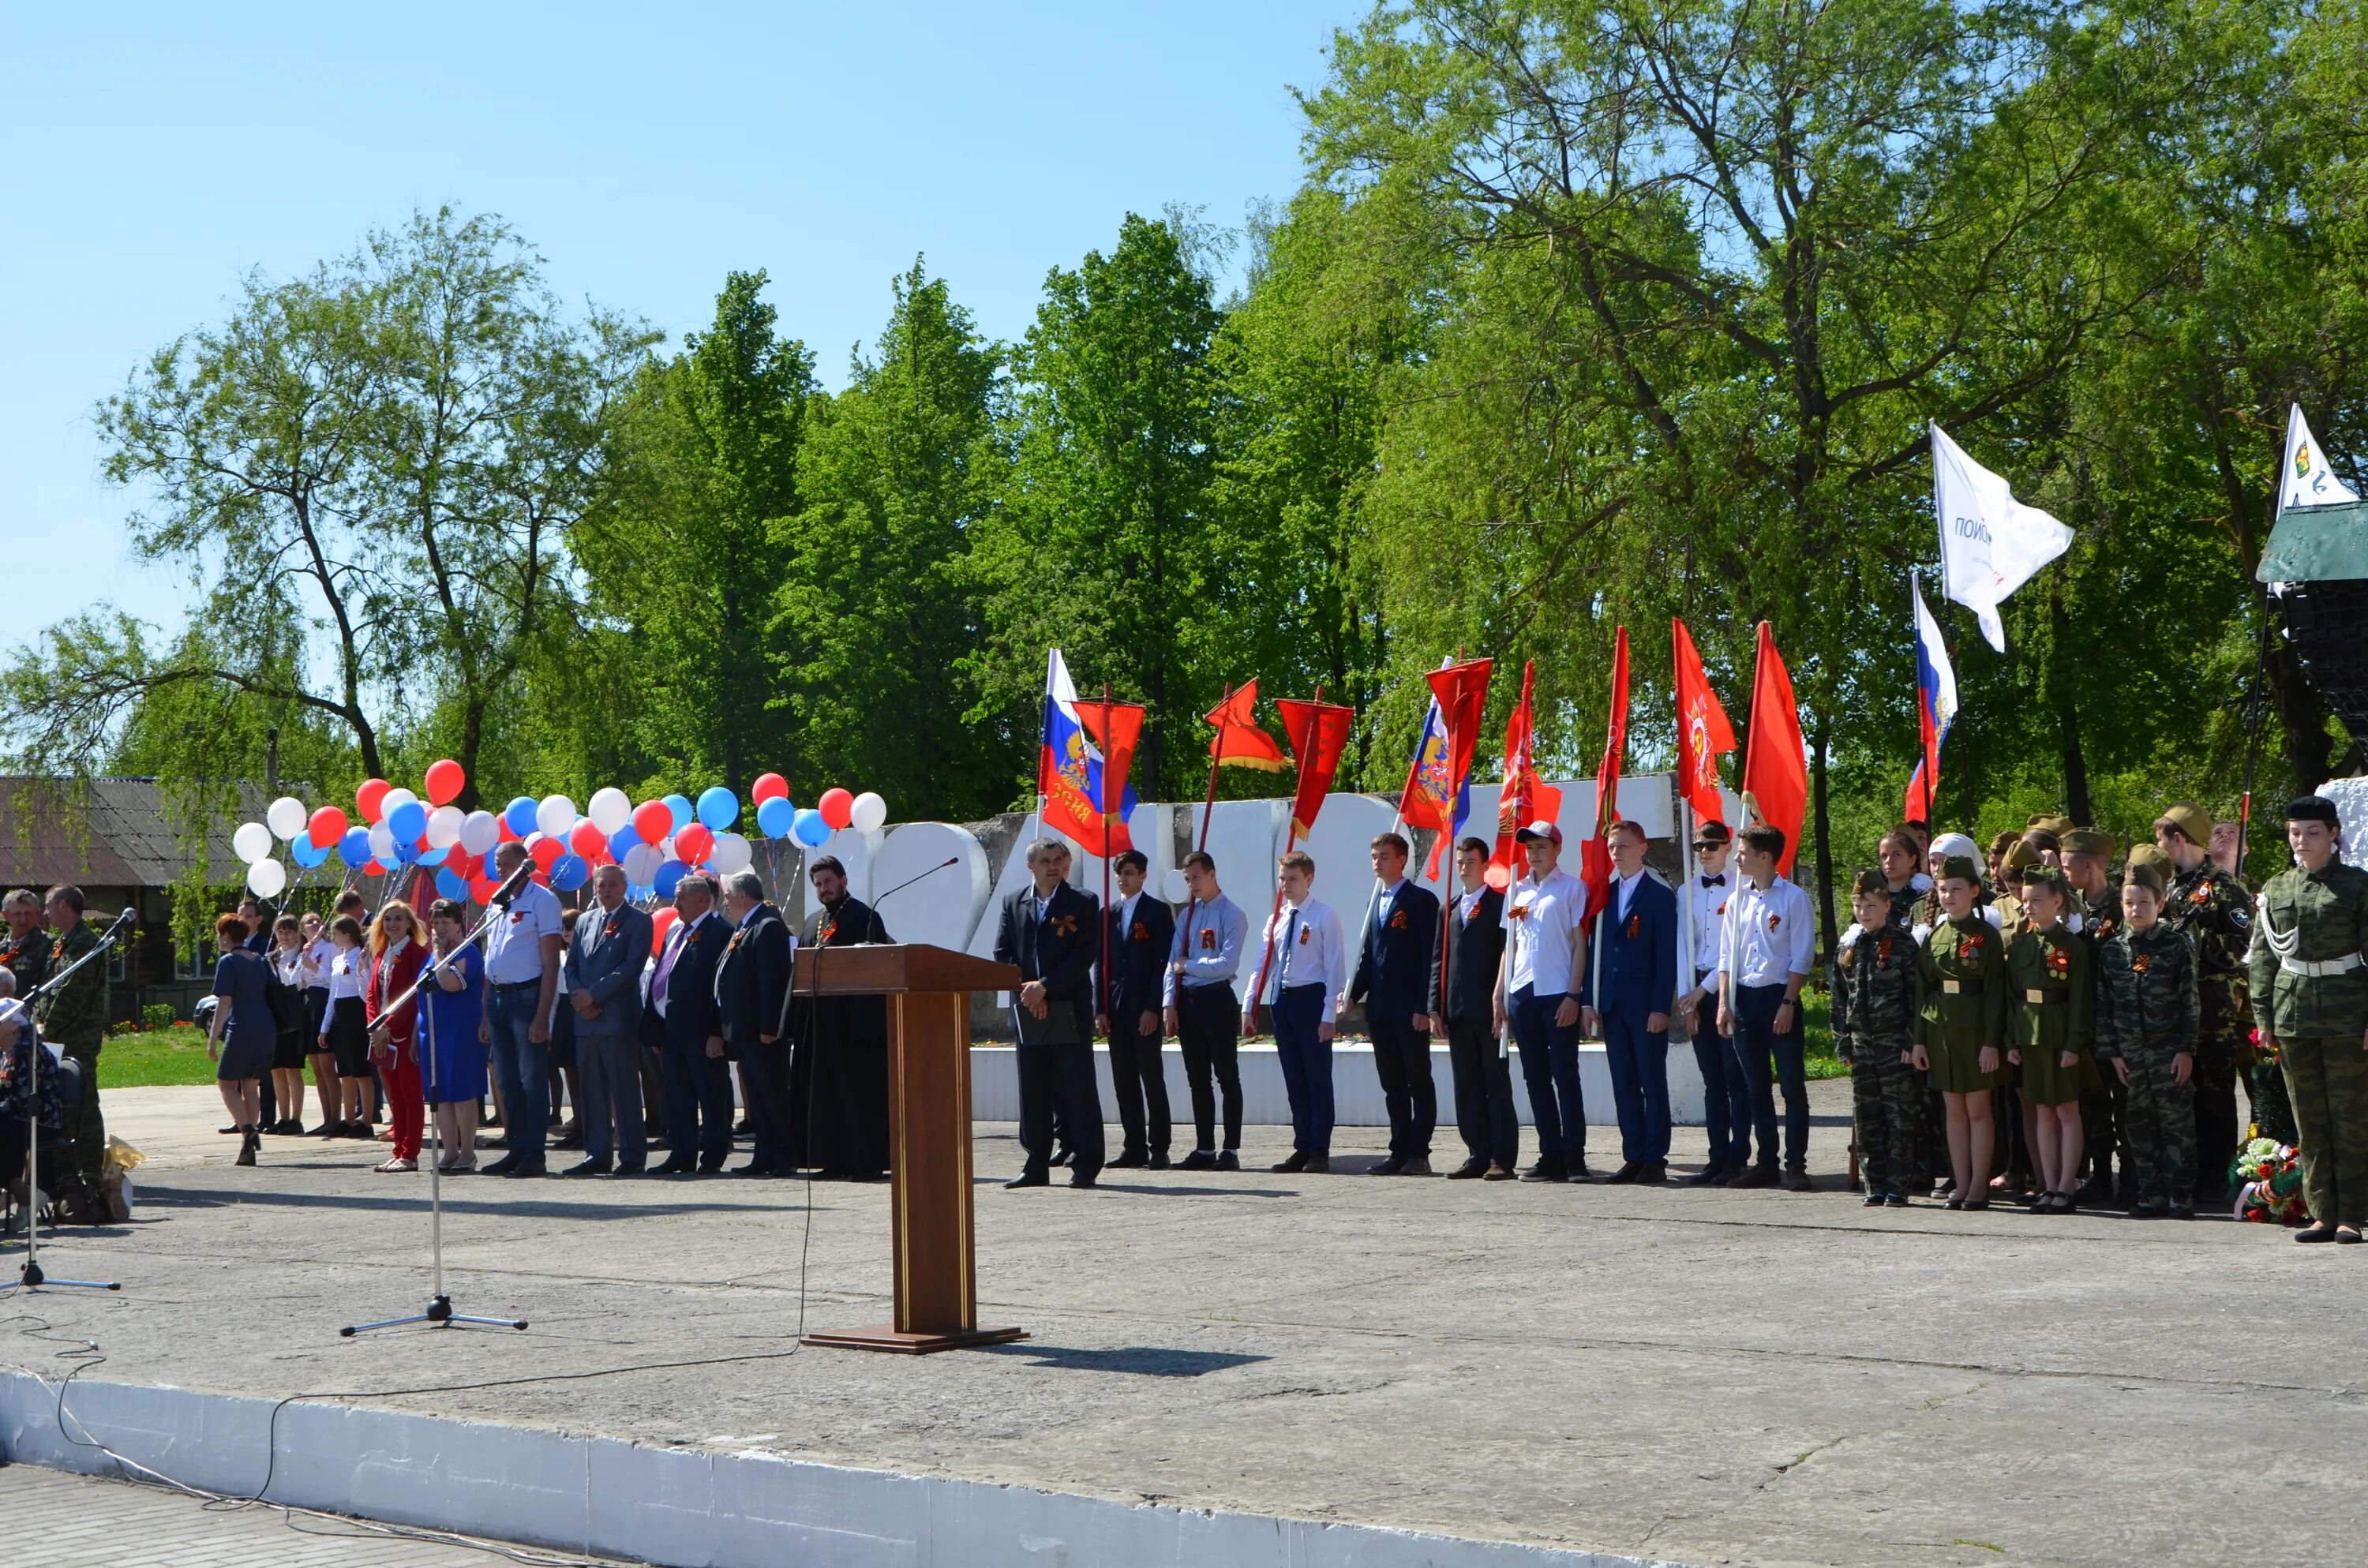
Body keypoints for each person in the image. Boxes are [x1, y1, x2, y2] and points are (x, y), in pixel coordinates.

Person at [2248, 795, 2368, 1244]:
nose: (2302, 841)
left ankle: (2353, 1214)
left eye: (2313, 832)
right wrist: (2263, 1017)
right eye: (2295, 832)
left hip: (2347, 1014)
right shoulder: (2278, 888)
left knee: (2350, 1117)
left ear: (2334, 833)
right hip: (2293, 1011)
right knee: (2311, 1121)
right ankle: (2322, 1213)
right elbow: (2263, 958)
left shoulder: (2358, 887)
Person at [2156, 801, 2251, 1204]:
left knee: (2214, 1095)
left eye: (2160, 840)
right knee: (2181, 1095)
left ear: (2178, 839)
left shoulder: (2225, 886)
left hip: (2214, 1008)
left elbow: (2242, 947)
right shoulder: (2169, 886)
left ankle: (2217, 1178)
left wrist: (2194, 939)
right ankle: (2184, 1175)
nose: (2157, 848)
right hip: (2177, 1007)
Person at [996, 839, 1105, 1188]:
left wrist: (1046, 987)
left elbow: (1083, 955)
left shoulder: (1083, 901)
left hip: (1068, 1007)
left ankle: (1086, 1161)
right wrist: (1030, 992)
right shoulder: (1014, 902)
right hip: (1029, 1009)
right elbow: (1003, 954)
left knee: (1077, 1087)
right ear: (1031, 866)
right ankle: (1036, 1163)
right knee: (1034, 1089)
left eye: (1059, 860)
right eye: (1046, 861)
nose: (1053, 866)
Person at [2095, 863, 2199, 1218]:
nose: (2135, 909)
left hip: (2168, 1050)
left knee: (2176, 1125)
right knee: (2137, 1126)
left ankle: (2180, 1193)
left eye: (2143, 902)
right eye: (2128, 903)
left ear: (2159, 904)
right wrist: (2112, 1054)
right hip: (2130, 1055)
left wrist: (2187, 1049)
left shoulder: (2175, 946)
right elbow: (2104, 1004)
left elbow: (2189, 1001)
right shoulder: (2112, 950)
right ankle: (2150, 1192)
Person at [1717, 825, 1815, 1190]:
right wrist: (1725, 1003)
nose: (1737, 857)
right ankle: (1766, 1163)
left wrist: (1789, 1001)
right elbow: (1727, 955)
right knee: (1755, 1086)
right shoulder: (1737, 899)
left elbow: (1802, 955)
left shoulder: (1793, 898)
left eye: (1743, 851)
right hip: (1745, 999)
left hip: (1778, 996)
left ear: (1765, 856)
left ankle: (1796, 1165)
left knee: (1792, 1085)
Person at [1495, 821, 1591, 1183]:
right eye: (1529, 847)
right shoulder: (1517, 893)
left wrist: (1573, 994)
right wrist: (1498, 994)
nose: (1534, 854)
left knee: (1565, 1076)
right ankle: (1550, 1154)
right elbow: (1511, 947)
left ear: (1556, 850)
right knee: (1535, 1078)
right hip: (1522, 992)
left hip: (1557, 992)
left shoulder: (1571, 889)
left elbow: (1580, 943)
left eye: (1540, 847)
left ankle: (1574, 1156)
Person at [1583, 820, 1677, 1184]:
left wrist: (1660, 1007)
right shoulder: (1603, 895)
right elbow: (1596, 952)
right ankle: (1633, 1155)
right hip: (1612, 1004)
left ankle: (1655, 1156)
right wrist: (1591, 1000)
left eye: (1623, 846)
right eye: (1612, 847)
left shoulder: (1659, 896)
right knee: (1623, 1082)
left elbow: (1665, 957)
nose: (1616, 852)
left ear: (1642, 849)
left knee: (1651, 1081)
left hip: (1645, 1006)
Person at [793, 855, 893, 1179]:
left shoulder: (865, 917)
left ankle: (865, 1162)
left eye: (828, 882)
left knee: (856, 1096)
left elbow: (876, 972)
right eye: (818, 884)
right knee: (824, 1093)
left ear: (844, 880)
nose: (824, 889)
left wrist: (866, 1025)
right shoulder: (812, 922)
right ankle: (832, 1159)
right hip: (819, 1024)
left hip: (853, 1025)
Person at [1347, 833, 1441, 1175]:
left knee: (1418, 1080)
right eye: (1374, 856)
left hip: (1410, 1010)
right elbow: (1370, 959)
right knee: (1392, 1082)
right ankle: (1398, 1149)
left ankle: (1420, 1151)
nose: (1377, 862)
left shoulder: (1420, 901)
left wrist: (1424, 1005)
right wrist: (1353, 992)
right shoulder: (1377, 902)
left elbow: (1430, 958)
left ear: (1402, 860)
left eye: (1384, 856)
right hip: (1381, 1009)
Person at [1916, 854, 2006, 1210]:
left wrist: (1991, 1043)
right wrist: (1919, 1040)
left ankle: (1979, 1186)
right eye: (1943, 889)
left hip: (1975, 1031)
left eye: (1956, 889)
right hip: (1942, 1032)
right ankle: (1962, 1182)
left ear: (1974, 891)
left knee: (1978, 1110)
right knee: (1953, 1110)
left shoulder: (1986, 937)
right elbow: (1924, 991)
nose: (1949, 896)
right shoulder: (1935, 936)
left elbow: (1997, 995)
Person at [1247, 851, 1346, 1175]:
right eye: (1282, 878)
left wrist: (1329, 1014)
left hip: (1311, 998)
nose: (1286, 885)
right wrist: (1250, 1004)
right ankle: (1302, 1145)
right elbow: (1264, 963)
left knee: (1317, 1077)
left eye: (1292, 878)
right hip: (1283, 999)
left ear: (1309, 879)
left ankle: (1319, 1148)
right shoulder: (1276, 918)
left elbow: (1334, 967)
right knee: (1294, 1080)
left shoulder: (1323, 916)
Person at [2006, 866, 2097, 1214]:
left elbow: (2079, 998)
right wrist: (2012, 1041)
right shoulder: (2020, 946)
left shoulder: (2072, 946)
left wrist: (2075, 1043)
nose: (2028, 906)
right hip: (2031, 1035)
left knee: (2066, 1110)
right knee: (2042, 1110)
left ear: (2058, 901)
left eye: (2037, 900)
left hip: (2060, 1033)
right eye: (2025, 900)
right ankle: (2047, 1183)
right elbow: (2013, 999)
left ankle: (2065, 1186)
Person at [1836, 870, 1923, 1207]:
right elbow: (1840, 999)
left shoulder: (1902, 944)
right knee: (1867, 1116)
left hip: (1894, 1045)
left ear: (1887, 905)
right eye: (1858, 904)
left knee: (1898, 1117)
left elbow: (1917, 997)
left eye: (1871, 904)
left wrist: (1911, 1041)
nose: (1863, 911)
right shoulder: (1851, 944)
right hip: (1862, 1044)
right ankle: (1875, 1185)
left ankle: (1899, 1186)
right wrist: (1843, 1042)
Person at [478, 842, 564, 1179]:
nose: (501, 869)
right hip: (498, 998)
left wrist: (543, 1015)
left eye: (507, 863)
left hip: (527, 999)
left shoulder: (543, 901)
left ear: (524, 864)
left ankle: (534, 1154)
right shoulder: (496, 902)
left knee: (531, 1080)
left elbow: (550, 963)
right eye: (497, 863)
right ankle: (515, 1149)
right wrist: (485, 1011)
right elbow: (490, 960)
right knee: (507, 1082)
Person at [1432, 836, 1516, 1180]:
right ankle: (1476, 1152)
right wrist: (1434, 1007)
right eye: (1460, 862)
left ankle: (1501, 1156)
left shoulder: (1500, 904)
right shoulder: (1448, 908)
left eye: (1471, 862)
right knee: (1466, 1086)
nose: (1464, 868)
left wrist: (1501, 1001)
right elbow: (1438, 961)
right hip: (1457, 1010)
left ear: (1485, 865)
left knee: (1495, 1083)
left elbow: (1506, 953)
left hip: (1489, 1011)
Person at [565, 864, 654, 1177]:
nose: (606, 890)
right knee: (591, 1089)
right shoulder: (585, 921)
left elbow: (631, 967)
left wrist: (594, 996)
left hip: (616, 1017)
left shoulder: (639, 921)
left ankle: (632, 1155)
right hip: (585, 1019)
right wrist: (580, 997)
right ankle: (597, 1153)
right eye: (601, 885)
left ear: (624, 887)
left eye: (613, 885)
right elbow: (571, 963)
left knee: (624, 1088)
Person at [1165, 851, 1248, 1172]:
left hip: (1217, 1001)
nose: (1192, 885)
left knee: (1226, 1076)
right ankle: (1204, 1148)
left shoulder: (1232, 914)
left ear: (1212, 874)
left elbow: (1226, 964)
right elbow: (1172, 964)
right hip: (1188, 1002)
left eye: (1196, 877)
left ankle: (1231, 1149)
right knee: (1196, 1078)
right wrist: (1169, 1003)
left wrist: (1191, 966)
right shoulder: (1187, 916)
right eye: (1187, 880)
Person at [1674, 821, 1746, 1185]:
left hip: (1726, 987)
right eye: (1700, 845)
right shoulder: (1686, 891)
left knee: (1735, 1076)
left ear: (1728, 846)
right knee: (1711, 1080)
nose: (1705, 851)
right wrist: (1688, 1000)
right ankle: (1716, 1156)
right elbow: (1683, 945)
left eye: (1713, 845)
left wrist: (1702, 992)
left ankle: (1739, 1156)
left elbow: (1729, 949)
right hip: (1697, 992)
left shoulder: (1741, 888)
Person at [1095, 848, 1175, 1170]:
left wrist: (1153, 1007)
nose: (1122, 879)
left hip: (1144, 1008)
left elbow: (1162, 965)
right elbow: (1101, 963)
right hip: (1116, 1008)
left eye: (1129, 873)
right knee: (1123, 1079)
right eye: (1119, 873)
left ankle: (1159, 1148)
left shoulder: (1157, 912)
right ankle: (1134, 1147)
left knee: (1151, 1077)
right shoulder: (1108, 913)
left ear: (1143, 876)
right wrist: (1100, 1008)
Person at [2062, 827, 2129, 1201]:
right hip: (2085, 1021)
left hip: (2120, 1022)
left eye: (2069, 865)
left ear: (2089, 865)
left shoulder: (2123, 906)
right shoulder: (2072, 907)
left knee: (2126, 1102)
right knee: (2093, 1101)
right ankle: (2101, 1175)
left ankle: (2132, 1175)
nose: (2064, 872)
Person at [651, 873, 733, 1175]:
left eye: (681, 898)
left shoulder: (720, 932)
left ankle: (712, 1157)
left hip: (703, 1034)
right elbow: (663, 977)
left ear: (701, 900)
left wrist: (716, 1032)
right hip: (673, 1030)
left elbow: (721, 989)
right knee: (678, 1096)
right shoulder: (676, 933)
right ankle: (681, 1154)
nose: (675, 904)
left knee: (711, 1096)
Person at [713, 870, 794, 1177]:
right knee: (758, 1098)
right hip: (743, 1030)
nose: (726, 903)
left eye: (729, 897)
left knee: (771, 1095)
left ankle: (784, 1157)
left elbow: (772, 981)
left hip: (761, 1032)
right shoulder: (746, 926)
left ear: (743, 896)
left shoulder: (768, 926)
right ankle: (765, 1154)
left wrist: (769, 1027)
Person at [34, 886, 107, 1186]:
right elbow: (48, 991)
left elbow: (71, 995)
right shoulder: (64, 943)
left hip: (77, 1040)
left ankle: (89, 1177)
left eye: (48, 906)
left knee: (84, 1109)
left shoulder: (85, 944)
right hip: (58, 1039)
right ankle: (65, 1176)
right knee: (63, 1108)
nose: (45, 913)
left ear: (64, 906)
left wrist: (45, 1030)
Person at [421, 900, 489, 1173]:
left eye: (445, 923)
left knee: (462, 1093)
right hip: (433, 1033)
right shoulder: (433, 955)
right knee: (442, 1096)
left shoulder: (467, 952)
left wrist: (438, 955)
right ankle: (449, 1151)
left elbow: (449, 984)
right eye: (435, 922)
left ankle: (468, 1153)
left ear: (459, 924)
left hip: (460, 1032)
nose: (439, 928)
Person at [204, 911, 277, 1166]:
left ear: (225, 936)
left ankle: (247, 1131)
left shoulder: (228, 962)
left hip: (242, 1026)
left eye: (218, 935)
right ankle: (249, 1147)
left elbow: (224, 1003)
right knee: (250, 1087)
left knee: (226, 1083)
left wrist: (213, 1038)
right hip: (266, 1027)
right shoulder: (258, 960)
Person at [364, 900, 429, 1173]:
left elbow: (413, 997)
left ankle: (410, 1154)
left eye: (398, 919)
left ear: (409, 924)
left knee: (411, 1095)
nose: (392, 924)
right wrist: (374, 1027)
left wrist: (387, 1026)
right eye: (388, 919)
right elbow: (372, 994)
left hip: (404, 1036)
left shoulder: (416, 953)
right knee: (395, 1097)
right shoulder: (381, 953)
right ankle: (398, 1150)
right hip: (382, 1039)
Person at [0, 971, 62, 1206]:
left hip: (39, 1121)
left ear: (14, 1024)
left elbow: (21, 1100)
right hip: (16, 1118)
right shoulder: (6, 1050)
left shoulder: (26, 1050)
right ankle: (19, 1191)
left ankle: (21, 1193)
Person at [318, 913, 373, 1136]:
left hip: (357, 1015)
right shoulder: (337, 959)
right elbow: (333, 994)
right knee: (346, 1072)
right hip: (341, 1017)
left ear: (347, 935)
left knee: (361, 1071)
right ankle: (349, 1120)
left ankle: (366, 1121)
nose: (334, 938)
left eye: (336, 934)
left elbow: (366, 991)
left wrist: (362, 970)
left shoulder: (360, 956)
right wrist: (325, 1026)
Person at [266, 914, 311, 1136]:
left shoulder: (303, 956)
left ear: (297, 934)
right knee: (277, 1070)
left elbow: (300, 982)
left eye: (289, 931)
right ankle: (282, 1118)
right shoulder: (270, 958)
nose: (284, 936)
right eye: (280, 932)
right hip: (275, 1019)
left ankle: (296, 1118)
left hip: (294, 1017)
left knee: (293, 1069)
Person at [297, 911, 339, 1136]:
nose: (315, 924)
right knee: (316, 1068)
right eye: (309, 922)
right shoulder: (306, 950)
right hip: (310, 1002)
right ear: (303, 931)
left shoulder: (331, 948)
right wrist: (302, 963)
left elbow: (334, 978)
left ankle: (335, 1119)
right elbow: (298, 982)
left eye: (318, 920)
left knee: (327, 1066)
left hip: (325, 1000)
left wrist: (314, 967)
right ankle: (326, 1118)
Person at [1, 889, 51, 997]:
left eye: (28, 914)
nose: (23, 919)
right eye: (18, 914)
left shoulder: (49, 945)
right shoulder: (2, 948)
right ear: (6, 915)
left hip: (30, 1011)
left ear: (37, 913)